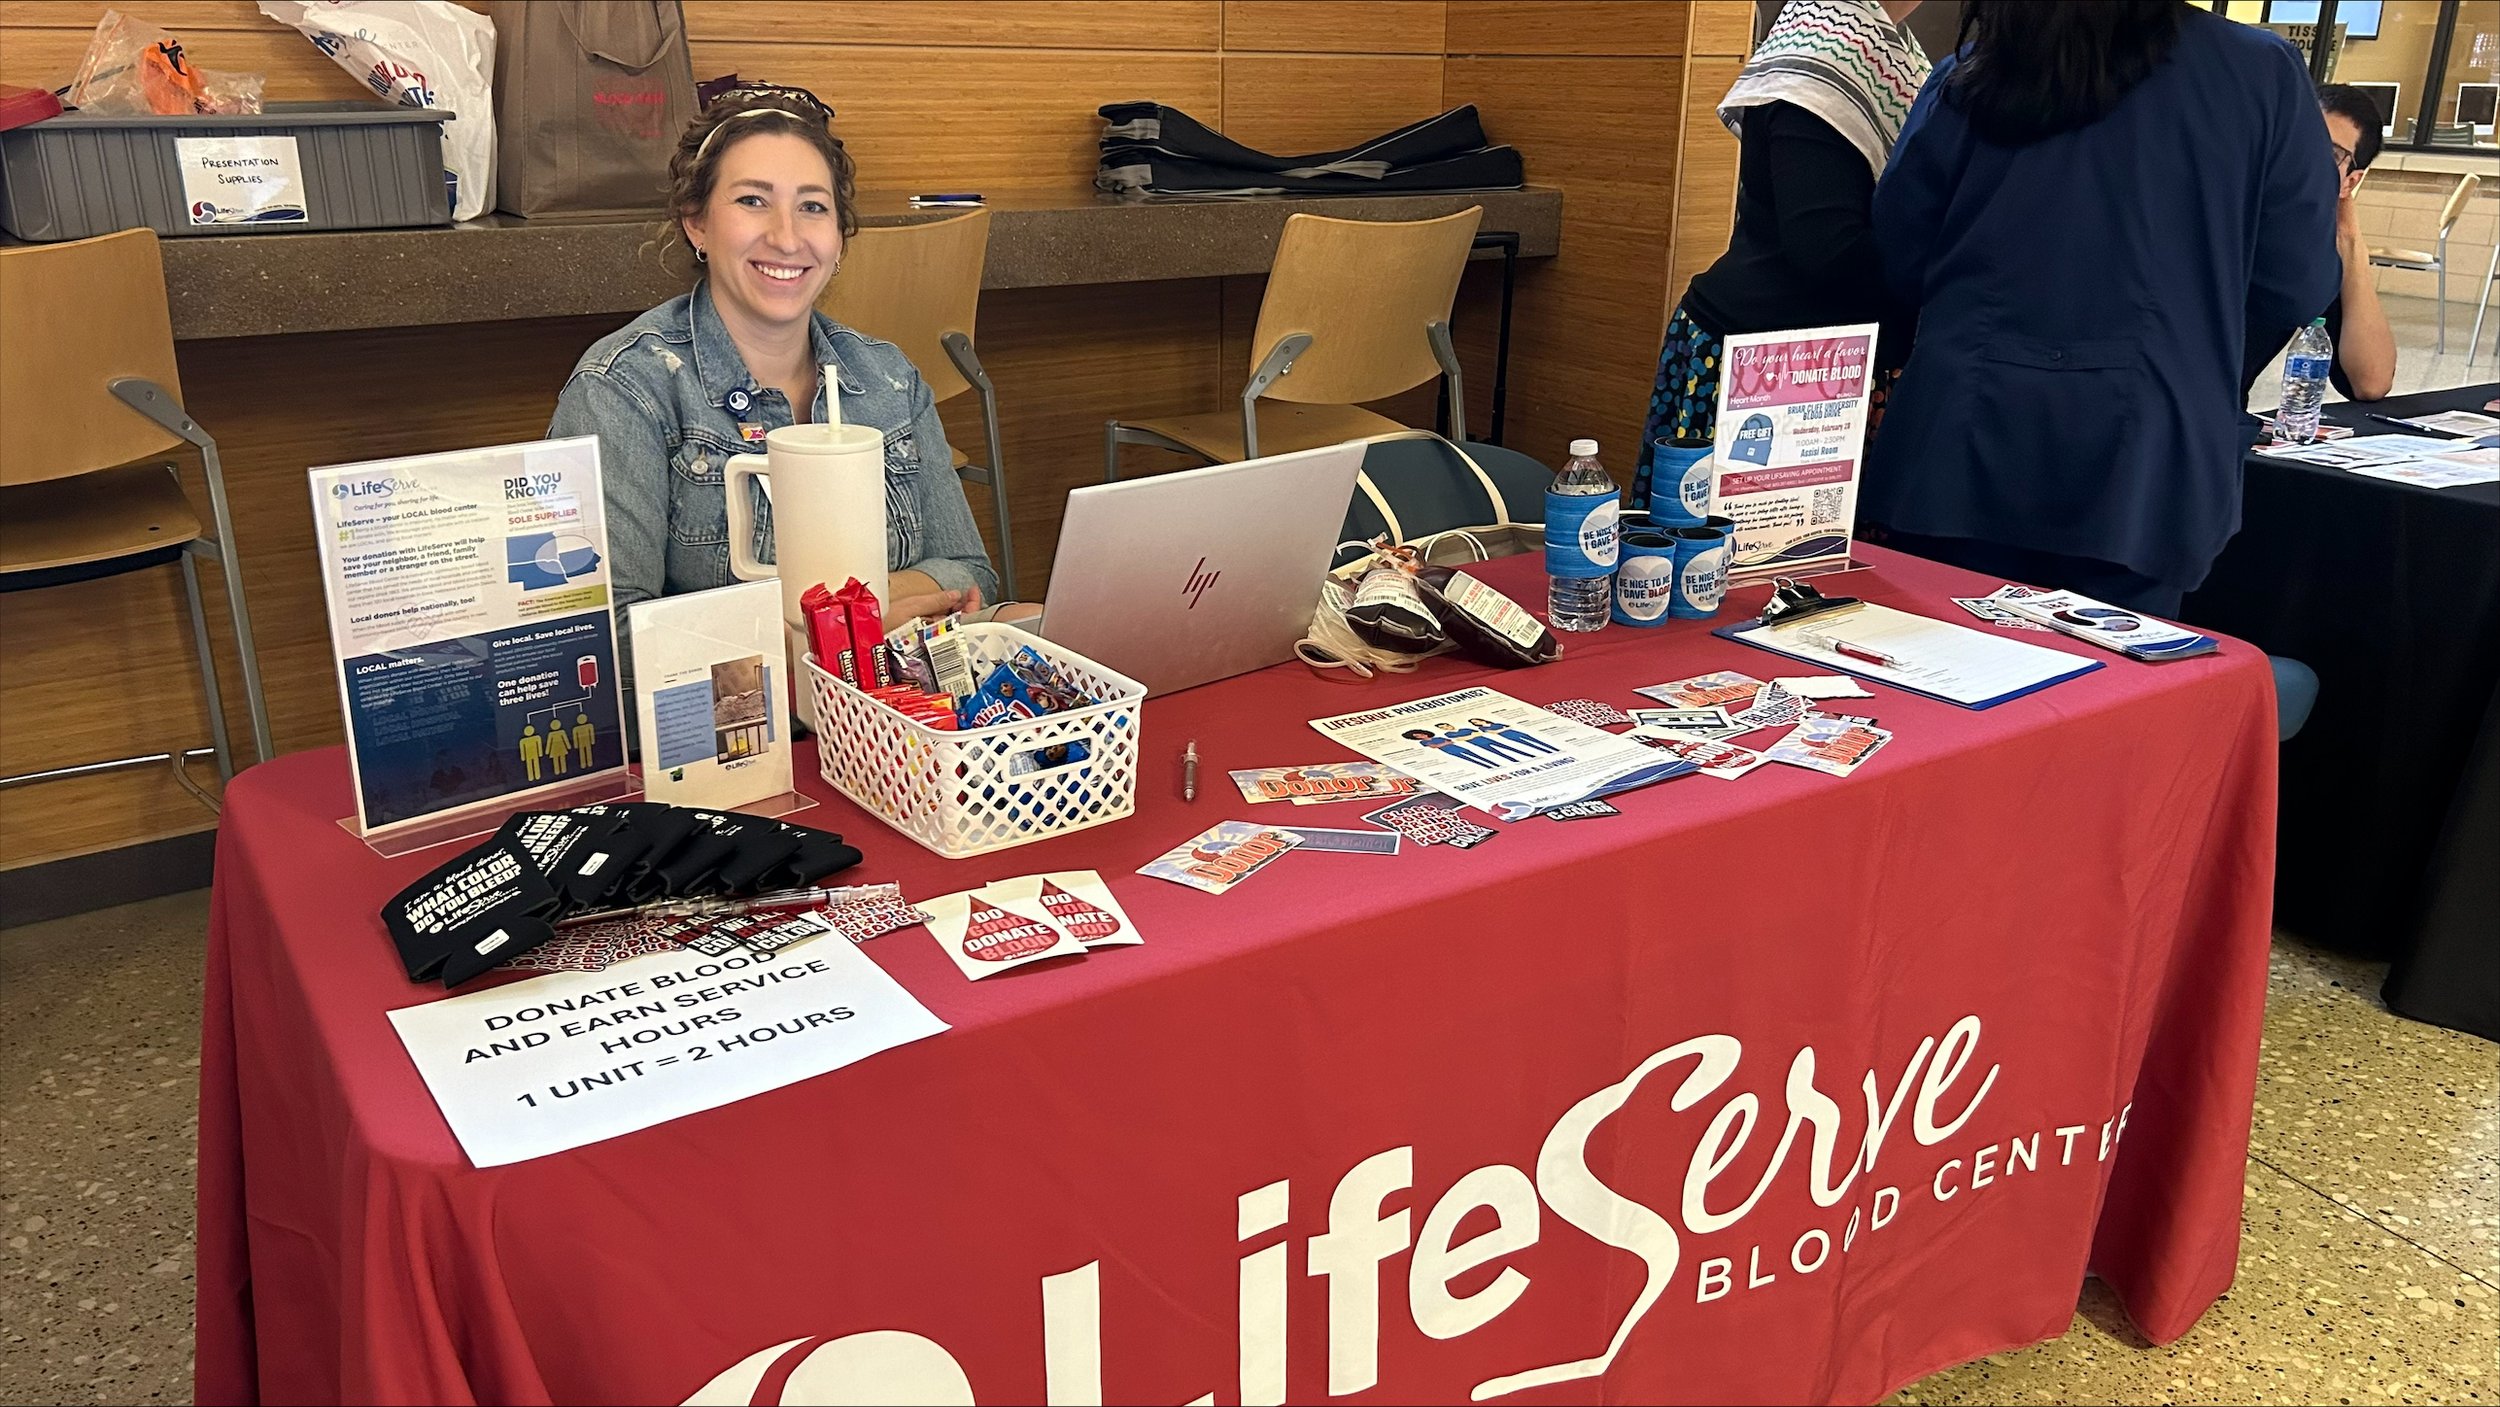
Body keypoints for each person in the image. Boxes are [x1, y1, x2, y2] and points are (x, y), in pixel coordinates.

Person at [1863, 0, 2340, 615]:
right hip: (2146, 462)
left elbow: (1900, 250)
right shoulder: (2258, 71)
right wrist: (2197, 342)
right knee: (2106, 695)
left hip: (1957, 447)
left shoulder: (1975, 73)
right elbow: (2298, 281)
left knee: (1935, 685)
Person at [550, 86, 1000, 633]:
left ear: (838, 237)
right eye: (752, 200)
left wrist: (859, 612)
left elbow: (968, 571)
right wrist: (827, 628)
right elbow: (603, 631)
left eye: (812, 206)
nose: (787, 238)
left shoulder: (887, 377)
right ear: (697, 223)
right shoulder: (622, 390)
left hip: (885, 710)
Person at [1631, 0, 1930, 511]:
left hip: (1827, 360)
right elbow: (1824, 247)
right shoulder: (1826, 48)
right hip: (1767, 364)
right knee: (1721, 572)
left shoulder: (1890, 48)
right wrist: (1954, 274)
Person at [2245, 84, 2397, 402]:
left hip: (2204, 426)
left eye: (2329, 154)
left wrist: (2349, 238)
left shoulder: (2307, 251)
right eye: (2298, 141)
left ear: (2349, 181)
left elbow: (2370, 380)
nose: (2303, 160)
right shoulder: (2214, 208)